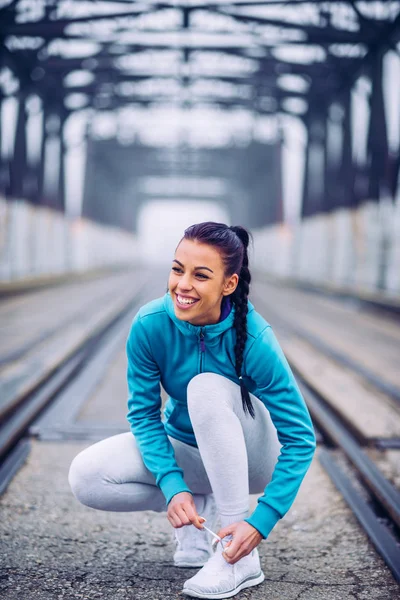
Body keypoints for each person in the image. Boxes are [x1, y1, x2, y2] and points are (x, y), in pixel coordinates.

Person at [68, 221, 317, 599]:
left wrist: (260, 521)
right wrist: (172, 487)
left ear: (228, 284)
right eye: (177, 269)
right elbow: (144, 415)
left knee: (204, 388)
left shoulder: (255, 338)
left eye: (201, 275)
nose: (183, 285)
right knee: (86, 477)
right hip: (187, 448)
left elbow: (300, 439)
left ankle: (237, 557)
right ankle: (198, 501)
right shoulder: (150, 325)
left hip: (253, 458)